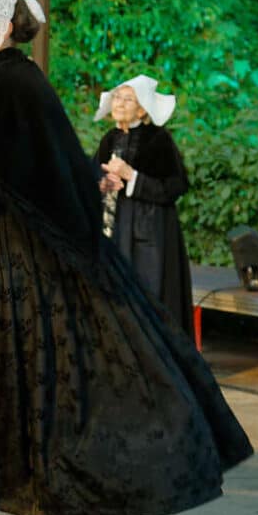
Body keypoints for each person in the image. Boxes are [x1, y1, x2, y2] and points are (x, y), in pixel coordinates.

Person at [0, 0, 253, 515]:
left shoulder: (5, 84)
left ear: (1, 27)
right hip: (39, 260)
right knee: (56, 391)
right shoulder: (13, 81)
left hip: (6, 265)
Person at [94, 74, 193, 334]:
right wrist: (102, 184)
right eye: (117, 97)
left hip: (150, 234)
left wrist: (131, 176)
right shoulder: (109, 139)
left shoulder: (158, 140)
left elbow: (175, 186)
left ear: (142, 108)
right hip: (114, 229)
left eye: (128, 99)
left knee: (148, 294)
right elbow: (94, 177)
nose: (120, 104)